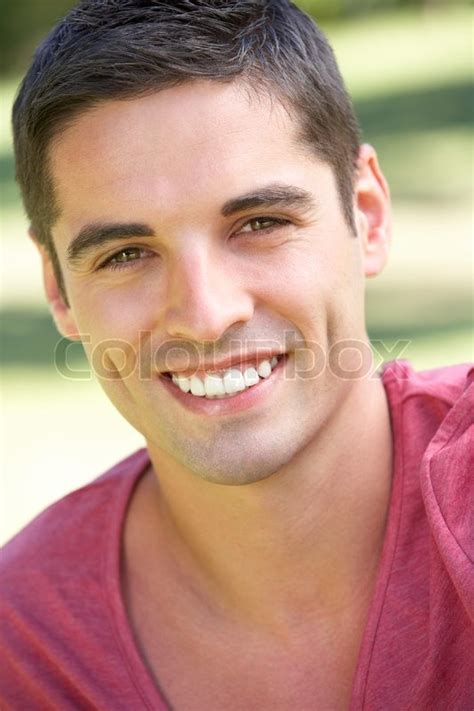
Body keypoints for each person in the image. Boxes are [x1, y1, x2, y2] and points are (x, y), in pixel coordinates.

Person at [1, 1, 472, 708]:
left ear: (367, 214)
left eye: (260, 222)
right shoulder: (24, 642)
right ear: (59, 290)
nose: (206, 313)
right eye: (126, 253)